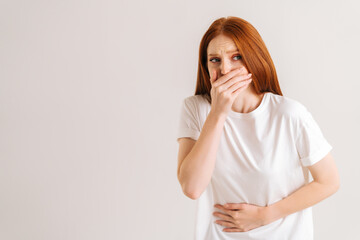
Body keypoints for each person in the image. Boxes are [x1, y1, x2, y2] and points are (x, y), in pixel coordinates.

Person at [176, 16, 340, 240]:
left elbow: (329, 181)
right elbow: (192, 187)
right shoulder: (196, 109)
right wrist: (218, 113)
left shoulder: (289, 114)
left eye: (236, 57)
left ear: (253, 58)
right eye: (215, 60)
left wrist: (265, 215)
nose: (225, 69)